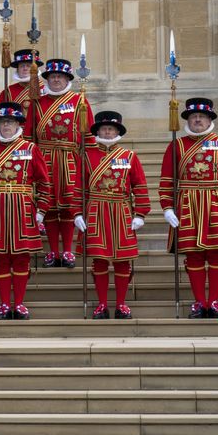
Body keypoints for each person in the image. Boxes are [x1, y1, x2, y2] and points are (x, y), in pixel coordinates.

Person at [160, 98, 218, 318]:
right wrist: (168, 207)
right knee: (194, 256)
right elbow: (167, 180)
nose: (198, 120)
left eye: (202, 117)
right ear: (188, 119)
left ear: (209, 119)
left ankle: (214, 302)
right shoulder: (176, 145)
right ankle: (200, 302)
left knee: (217, 254)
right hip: (188, 205)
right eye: (193, 116)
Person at [0, 102, 52, 320]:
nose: (6, 126)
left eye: (10, 122)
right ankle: (4, 303)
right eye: (2, 122)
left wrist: (41, 211)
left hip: (23, 208)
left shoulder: (30, 148)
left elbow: (44, 183)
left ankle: (19, 303)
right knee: (0, 258)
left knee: (21, 258)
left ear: (18, 123)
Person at [77, 111, 151, 319]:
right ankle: (101, 304)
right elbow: (79, 188)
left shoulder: (129, 156)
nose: (107, 132)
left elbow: (140, 186)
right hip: (96, 211)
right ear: (97, 131)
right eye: (103, 128)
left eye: (111, 128)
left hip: (121, 211)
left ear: (117, 131)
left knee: (122, 261)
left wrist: (141, 213)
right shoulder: (87, 155)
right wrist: (76, 213)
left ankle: (121, 304)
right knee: (99, 260)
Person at [31, 58, 94, 268]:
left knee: (69, 206)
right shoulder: (37, 103)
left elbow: (89, 136)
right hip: (45, 158)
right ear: (46, 80)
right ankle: (53, 252)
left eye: (59, 76)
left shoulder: (80, 102)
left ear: (67, 78)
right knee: (47, 206)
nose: (56, 80)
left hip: (70, 159)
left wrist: (90, 163)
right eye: (52, 77)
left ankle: (67, 250)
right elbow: (30, 136)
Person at [0, 49, 44, 131]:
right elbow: (0, 118)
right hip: (14, 135)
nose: (25, 69)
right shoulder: (8, 92)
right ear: (17, 69)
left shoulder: (44, 89)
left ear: (34, 68)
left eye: (28, 65)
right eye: (22, 66)